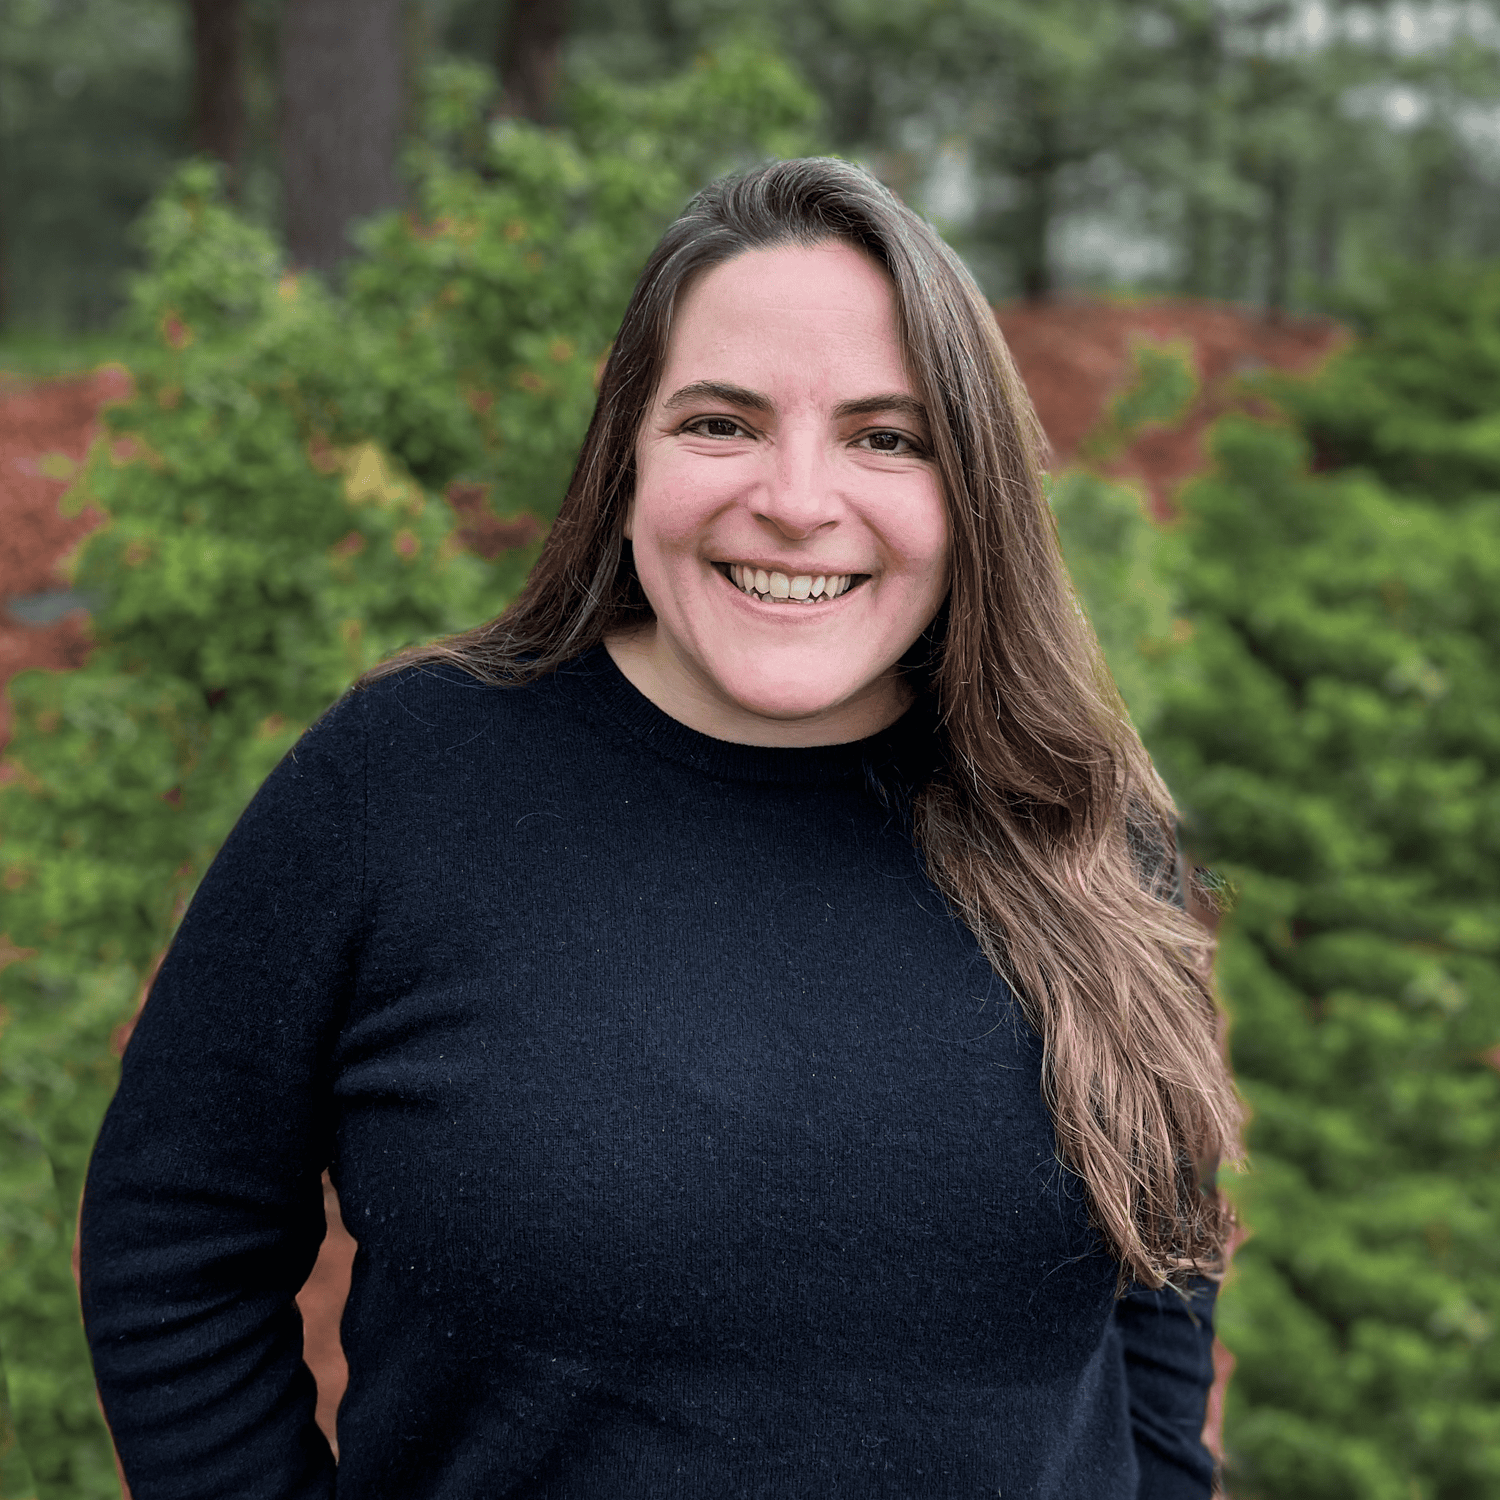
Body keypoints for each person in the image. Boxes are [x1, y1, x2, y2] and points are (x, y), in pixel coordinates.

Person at [80, 157, 1240, 1498]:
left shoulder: (1079, 820)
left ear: (969, 489)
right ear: (626, 455)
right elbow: (175, 1232)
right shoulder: (401, 785)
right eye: (721, 423)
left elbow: (1163, 1264)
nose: (798, 500)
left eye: (886, 435)